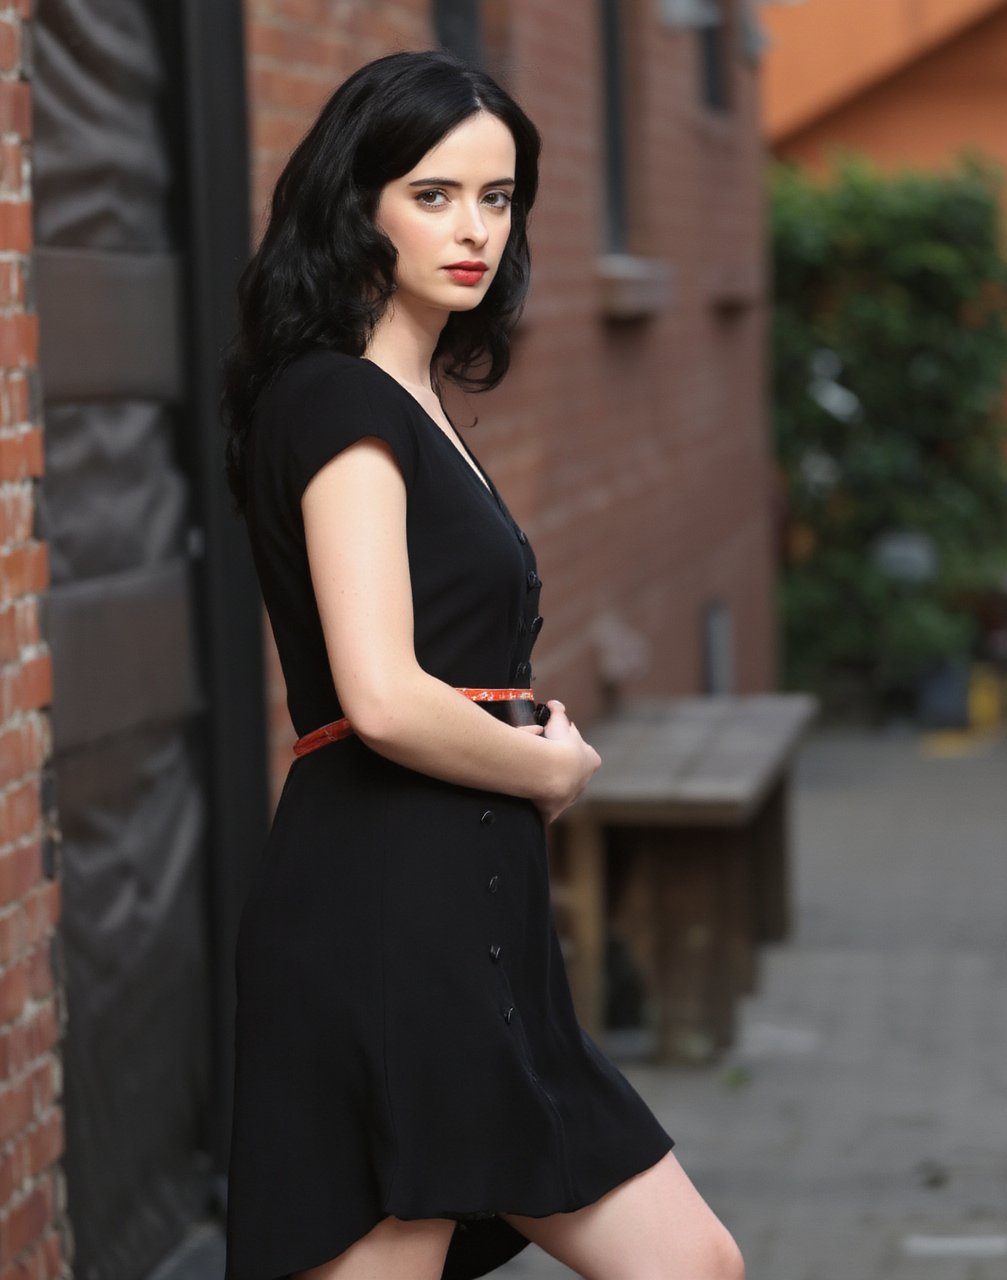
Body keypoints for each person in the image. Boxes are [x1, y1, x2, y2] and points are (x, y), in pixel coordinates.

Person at [220, 48, 744, 1280]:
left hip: (477, 921)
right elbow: (384, 694)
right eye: (434, 193)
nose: (474, 231)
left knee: (691, 1261)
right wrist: (544, 770)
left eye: (498, 198)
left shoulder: (415, 395)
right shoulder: (338, 402)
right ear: (359, 204)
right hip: (388, 917)